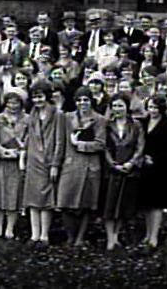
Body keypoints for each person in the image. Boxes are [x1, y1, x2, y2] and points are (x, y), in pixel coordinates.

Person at [57, 86, 106, 246]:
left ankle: (80, 238)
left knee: (87, 204)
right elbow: (61, 142)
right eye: (79, 100)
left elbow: (100, 144)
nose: (82, 103)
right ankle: (70, 236)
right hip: (70, 165)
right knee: (65, 201)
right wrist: (56, 164)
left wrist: (80, 144)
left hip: (90, 166)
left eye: (85, 99)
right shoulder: (66, 118)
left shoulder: (99, 119)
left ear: (91, 101)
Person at [22, 80, 65, 246]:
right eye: (34, 97)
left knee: (46, 199)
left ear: (47, 96)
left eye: (40, 97)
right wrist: (24, 156)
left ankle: (44, 235)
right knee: (32, 198)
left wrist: (55, 164)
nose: (37, 100)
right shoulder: (32, 113)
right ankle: (34, 234)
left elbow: (60, 140)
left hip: (48, 160)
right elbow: (29, 137)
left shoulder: (57, 114)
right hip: (33, 159)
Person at [102, 93, 145, 250]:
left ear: (127, 107)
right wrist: (113, 164)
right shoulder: (107, 125)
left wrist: (131, 163)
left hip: (129, 169)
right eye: (114, 106)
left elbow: (140, 147)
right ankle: (110, 239)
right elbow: (104, 147)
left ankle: (116, 235)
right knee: (109, 204)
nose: (117, 109)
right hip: (111, 170)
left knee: (122, 205)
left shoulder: (136, 125)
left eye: (120, 105)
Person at [138, 95, 167, 248]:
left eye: (155, 108)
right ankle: (147, 234)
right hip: (145, 169)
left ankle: (154, 237)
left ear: (161, 108)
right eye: (150, 107)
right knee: (147, 204)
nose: (152, 111)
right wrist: (143, 158)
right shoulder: (143, 122)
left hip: (161, 169)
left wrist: (154, 159)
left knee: (157, 204)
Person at [0, 87, 29, 239]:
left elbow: (29, 138)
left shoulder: (27, 119)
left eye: (16, 103)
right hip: (0, 160)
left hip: (17, 161)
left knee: (14, 194)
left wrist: (21, 151)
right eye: (9, 103)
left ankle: (10, 227)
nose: (12, 106)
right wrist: (0, 150)